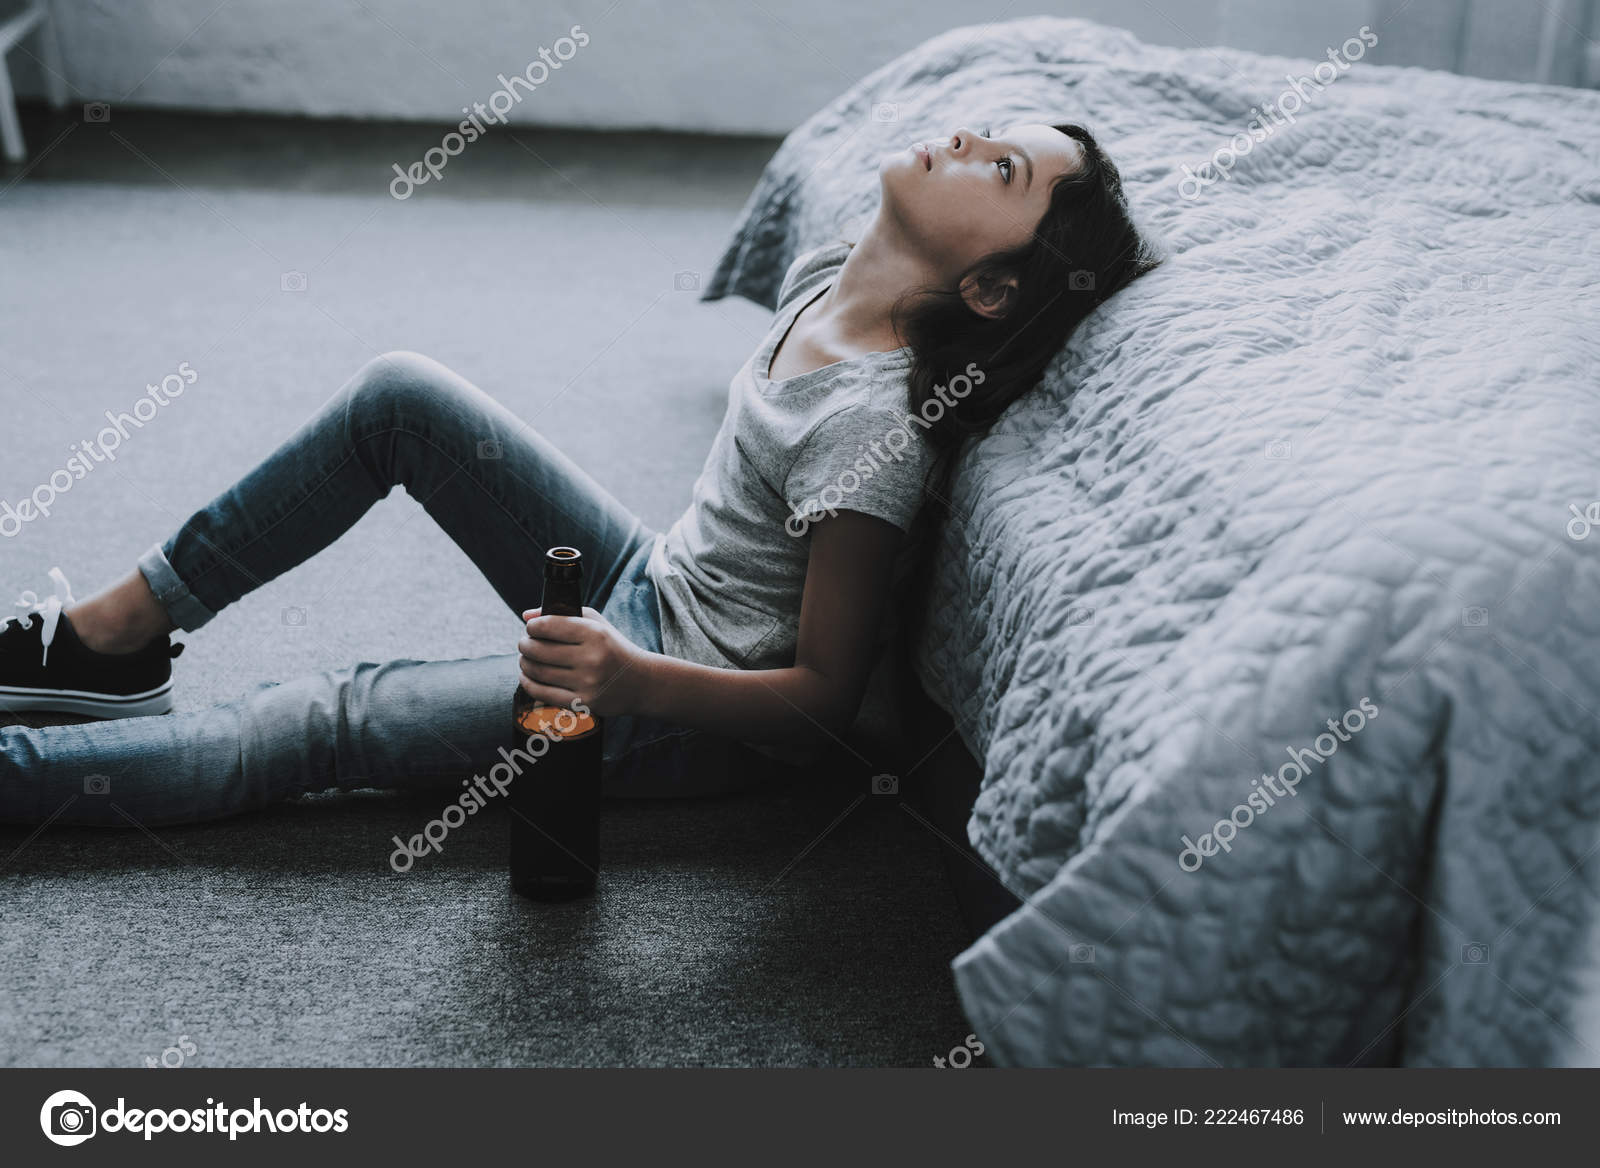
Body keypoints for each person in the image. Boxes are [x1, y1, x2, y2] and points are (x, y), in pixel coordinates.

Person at [0, 123, 1155, 825]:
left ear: (992, 289)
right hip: (652, 581)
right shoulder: (825, 273)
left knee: (322, 720)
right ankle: (115, 638)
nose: (961, 141)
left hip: (682, 707)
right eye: (986, 132)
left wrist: (631, 681)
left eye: (998, 169)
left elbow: (817, 709)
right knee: (397, 396)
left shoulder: (870, 436)